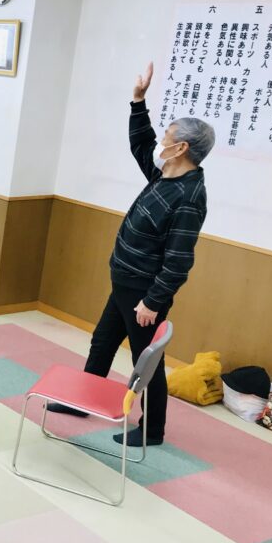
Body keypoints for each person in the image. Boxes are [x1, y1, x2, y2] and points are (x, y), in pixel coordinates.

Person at [50, 62, 211, 447]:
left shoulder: (188, 196)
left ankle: (152, 430)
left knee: (146, 363)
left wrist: (153, 301)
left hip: (143, 293)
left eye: (168, 136)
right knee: (103, 342)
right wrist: (138, 101)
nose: (161, 141)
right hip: (124, 283)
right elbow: (141, 144)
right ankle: (82, 401)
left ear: (182, 148)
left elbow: (179, 262)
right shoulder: (166, 176)